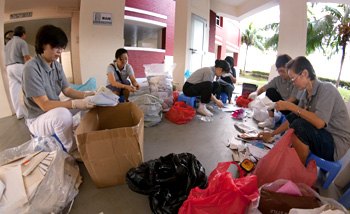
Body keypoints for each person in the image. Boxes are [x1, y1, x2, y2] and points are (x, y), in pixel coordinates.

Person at [259, 56, 350, 164]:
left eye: (293, 79)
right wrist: (272, 134)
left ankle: (297, 169)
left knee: (299, 125)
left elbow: (320, 122)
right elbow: (293, 118)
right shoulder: (305, 93)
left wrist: (291, 106)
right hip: (320, 136)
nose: (293, 83)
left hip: (335, 144)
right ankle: (293, 163)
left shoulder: (327, 89)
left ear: (305, 73)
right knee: (295, 119)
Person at [22, 25, 96, 153]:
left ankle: (84, 135)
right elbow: (44, 105)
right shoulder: (31, 68)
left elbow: (67, 90)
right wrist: (74, 103)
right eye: (55, 47)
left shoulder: (57, 66)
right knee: (62, 115)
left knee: (91, 102)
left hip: (53, 110)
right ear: (43, 45)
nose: (60, 51)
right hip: (38, 118)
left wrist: (87, 95)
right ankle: (72, 149)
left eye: (62, 48)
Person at [248, 54, 298, 128]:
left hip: (293, 109)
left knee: (286, 130)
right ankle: (271, 120)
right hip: (281, 107)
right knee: (270, 91)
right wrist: (256, 93)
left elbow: (292, 99)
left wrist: (276, 104)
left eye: (282, 71)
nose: (280, 74)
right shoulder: (277, 80)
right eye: (279, 71)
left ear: (289, 69)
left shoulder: (295, 80)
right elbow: (264, 88)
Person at [5, 26, 31, 119]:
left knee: (14, 91)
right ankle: (36, 108)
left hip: (8, 67)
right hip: (18, 66)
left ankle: (19, 113)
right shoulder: (22, 42)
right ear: (23, 34)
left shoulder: (8, 43)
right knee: (30, 86)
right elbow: (26, 56)